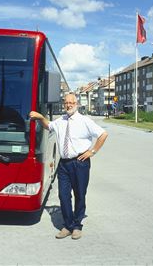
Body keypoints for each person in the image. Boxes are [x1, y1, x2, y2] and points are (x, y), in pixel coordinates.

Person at [29, 93, 108, 240]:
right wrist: (40, 117)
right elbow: (48, 125)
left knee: (79, 194)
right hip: (64, 164)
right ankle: (68, 225)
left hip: (80, 163)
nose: (69, 105)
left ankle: (77, 226)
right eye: (66, 103)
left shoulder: (84, 121)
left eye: (72, 102)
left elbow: (103, 134)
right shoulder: (61, 121)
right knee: (63, 195)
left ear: (76, 104)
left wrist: (93, 151)